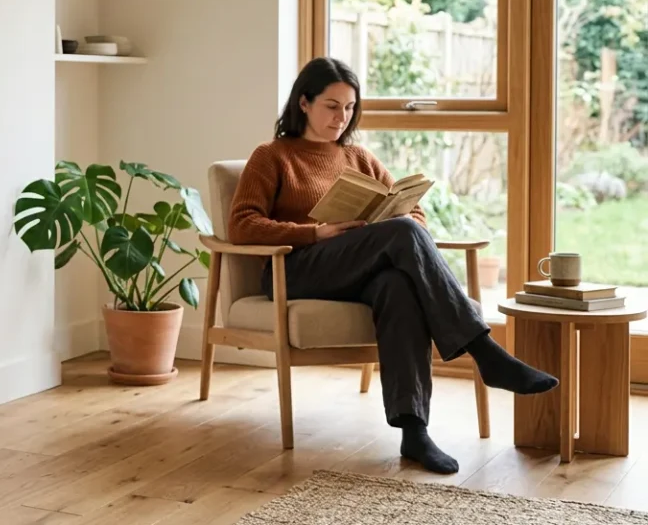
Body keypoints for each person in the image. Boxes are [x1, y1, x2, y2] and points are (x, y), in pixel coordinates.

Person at [226, 56, 557, 475]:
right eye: (331, 106)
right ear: (304, 103)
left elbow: (414, 215)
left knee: (397, 287)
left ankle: (414, 432)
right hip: (296, 269)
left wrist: (381, 222)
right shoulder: (273, 156)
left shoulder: (359, 158)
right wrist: (315, 232)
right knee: (400, 234)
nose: (341, 118)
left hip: (353, 270)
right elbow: (242, 224)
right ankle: (483, 350)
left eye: (349, 108)